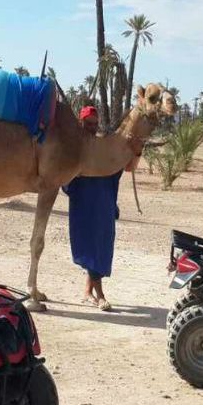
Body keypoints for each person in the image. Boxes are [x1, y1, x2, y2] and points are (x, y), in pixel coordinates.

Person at [62, 105, 122, 311]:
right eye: (88, 124)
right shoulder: (73, 147)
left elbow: (115, 170)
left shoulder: (102, 146)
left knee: (102, 248)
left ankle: (87, 292)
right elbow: (64, 175)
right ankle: (101, 295)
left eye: (95, 124)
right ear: (81, 123)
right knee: (91, 247)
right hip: (84, 204)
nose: (92, 128)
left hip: (104, 203)